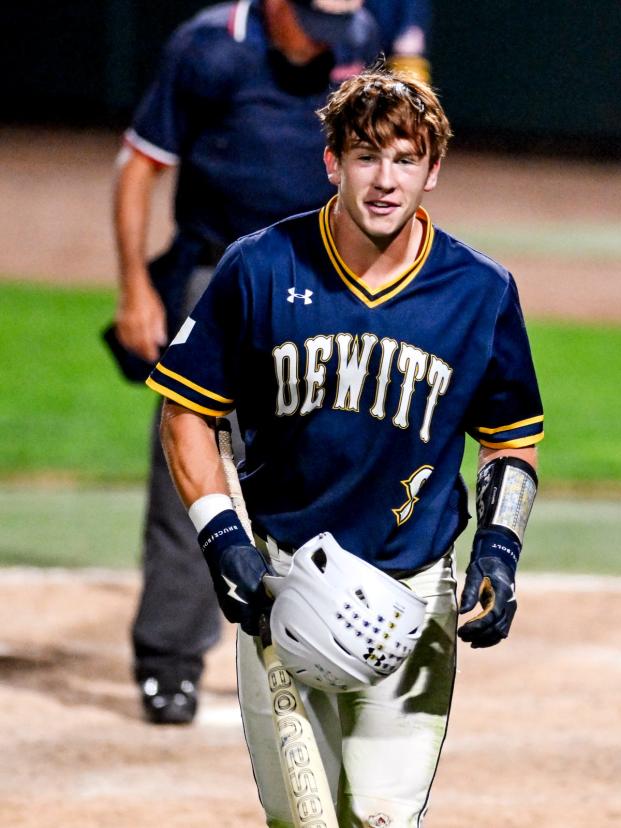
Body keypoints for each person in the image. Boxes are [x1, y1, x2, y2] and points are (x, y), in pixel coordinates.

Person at [146, 67, 543, 823]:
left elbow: (511, 441)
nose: (385, 180)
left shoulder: (480, 292)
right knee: (301, 819)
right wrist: (224, 541)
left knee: (385, 819)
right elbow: (186, 413)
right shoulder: (259, 267)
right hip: (283, 586)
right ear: (331, 162)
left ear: (434, 170)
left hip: (415, 593)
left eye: (405, 159)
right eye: (366, 156)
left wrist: (499, 550)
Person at [111, 0, 380, 723]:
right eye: (309, 25)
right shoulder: (209, 48)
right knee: (191, 464)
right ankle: (169, 661)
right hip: (217, 278)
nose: (323, 44)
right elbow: (139, 168)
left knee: (331, 459)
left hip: (321, 281)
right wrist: (137, 287)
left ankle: (327, 644)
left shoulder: (354, 36)